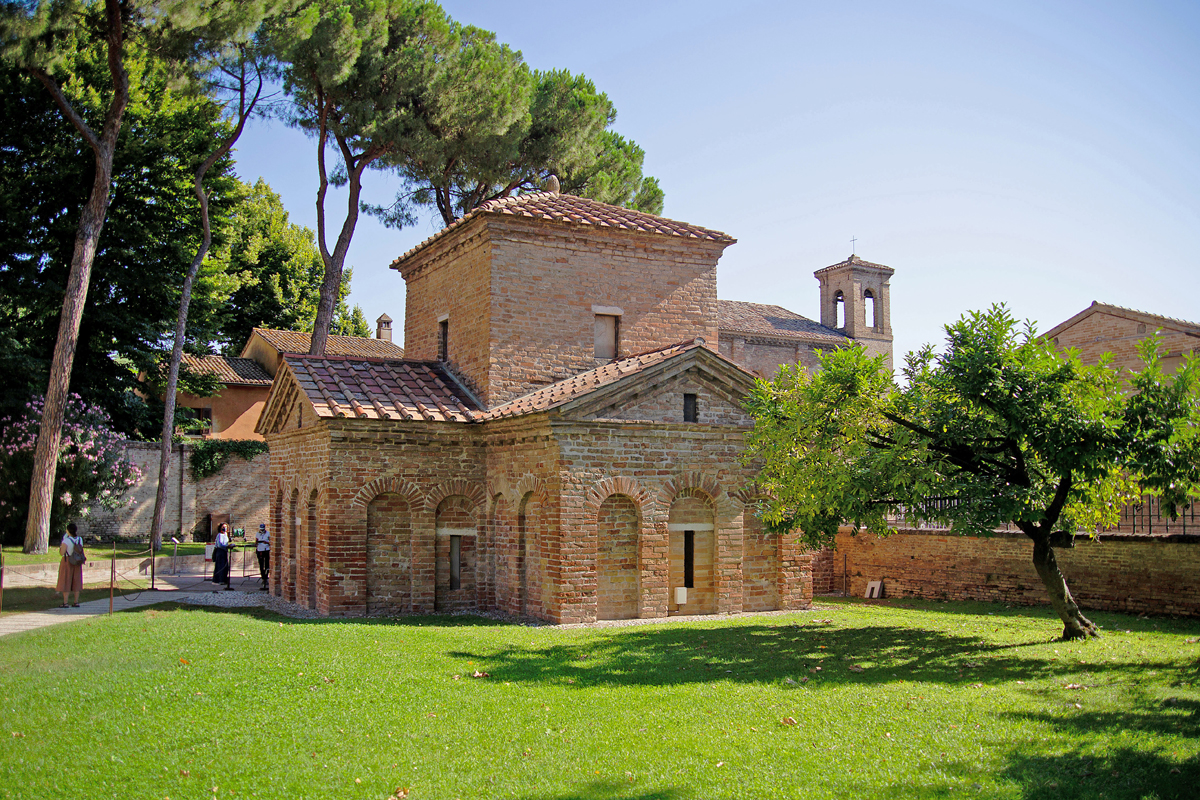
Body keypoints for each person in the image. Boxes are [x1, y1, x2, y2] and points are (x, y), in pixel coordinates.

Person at [57, 522, 85, 607]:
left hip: (68, 561)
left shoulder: (66, 541)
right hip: (77, 561)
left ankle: (65, 602)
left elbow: (62, 553)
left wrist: (62, 544)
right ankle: (76, 601)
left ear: (68, 531)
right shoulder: (80, 539)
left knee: (66, 580)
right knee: (76, 580)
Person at [212, 522, 232, 590]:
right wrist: (226, 546)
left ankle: (224, 579)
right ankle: (219, 579)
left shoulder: (225, 534)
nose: (224, 528)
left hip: (224, 551)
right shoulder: (219, 535)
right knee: (220, 565)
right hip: (220, 551)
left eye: (225, 527)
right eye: (223, 527)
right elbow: (220, 544)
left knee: (225, 565)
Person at [255, 523, 270, 589]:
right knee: (261, 565)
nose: (262, 531)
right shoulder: (257, 534)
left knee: (267, 565)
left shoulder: (268, 533)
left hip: (266, 549)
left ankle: (266, 577)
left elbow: (271, 541)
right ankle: (263, 577)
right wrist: (257, 543)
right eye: (261, 529)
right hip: (260, 550)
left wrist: (266, 542)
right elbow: (256, 541)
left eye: (263, 529)